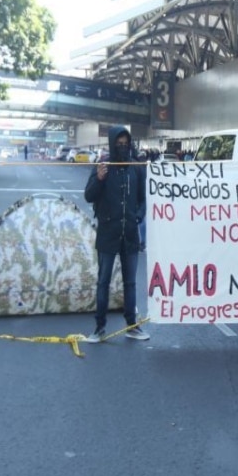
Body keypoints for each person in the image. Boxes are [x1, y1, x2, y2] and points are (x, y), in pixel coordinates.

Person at [84, 126, 149, 342]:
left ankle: (132, 325)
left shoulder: (136, 168)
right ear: (112, 144)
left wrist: (137, 216)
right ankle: (99, 327)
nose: (123, 147)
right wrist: (99, 179)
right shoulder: (103, 166)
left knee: (130, 283)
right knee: (103, 282)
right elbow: (89, 196)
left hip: (130, 234)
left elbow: (142, 199)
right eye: (118, 144)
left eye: (126, 143)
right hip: (108, 234)